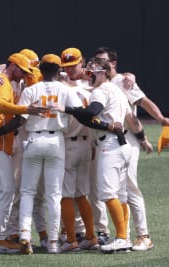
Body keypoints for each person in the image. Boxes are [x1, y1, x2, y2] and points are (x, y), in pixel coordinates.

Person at [0, 54, 83, 254]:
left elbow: (19, 120)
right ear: (58, 70)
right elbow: (79, 113)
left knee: (27, 192)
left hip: (34, 140)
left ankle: (25, 235)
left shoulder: (31, 90)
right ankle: (53, 242)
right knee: (53, 194)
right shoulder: (65, 89)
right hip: (56, 141)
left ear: (41, 69)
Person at [54, 57, 153, 253]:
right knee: (121, 194)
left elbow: (91, 113)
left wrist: (66, 109)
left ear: (103, 73)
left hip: (109, 144)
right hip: (123, 144)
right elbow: (131, 118)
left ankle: (122, 238)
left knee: (107, 193)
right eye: (87, 73)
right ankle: (125, 236)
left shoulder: (100, 91)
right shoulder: (117, 89)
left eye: (92, 73)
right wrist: (142, 138)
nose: (88, 76)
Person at [94, 46, 169, 251]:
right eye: (97, 60)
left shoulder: (123, 81)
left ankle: (144, 235)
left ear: (113, 64)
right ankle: (124, 236)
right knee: (119, 192)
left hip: (127, 140)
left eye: (104, 61)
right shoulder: (98, 81)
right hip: (109, 141)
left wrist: (160, 119)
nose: (100, 64)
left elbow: (143, 103)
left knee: (130, 189)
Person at [0, 49, 49, 250]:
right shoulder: (0, 78)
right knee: (7, 189)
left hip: (4, 140)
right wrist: (26, 109)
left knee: (3, 190)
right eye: (25, 69)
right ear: (14, 65)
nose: (27, 73)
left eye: (31, 69)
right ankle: (1, 236)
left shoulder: (21, 78)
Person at [58, 47, 98, 252]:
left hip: (70, 144)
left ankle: (71, 239)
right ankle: (91, 236)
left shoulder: (64, 88)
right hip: (85, 143)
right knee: (81, 194)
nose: (70, 69)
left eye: (73, 65)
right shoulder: (93, 86)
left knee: (66, 194)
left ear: (82, 62)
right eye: (67, 66)